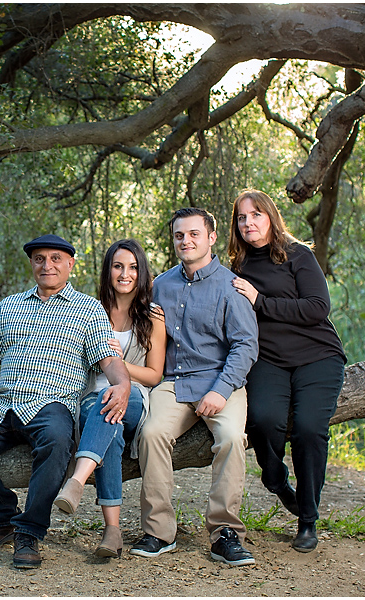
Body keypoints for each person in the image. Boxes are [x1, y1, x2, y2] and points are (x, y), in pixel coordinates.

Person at [0, 234, 131, 569]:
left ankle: (28, 532)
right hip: (4, 406)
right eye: (40, 259)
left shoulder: (88, 309)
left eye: (56, 258)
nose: (47, 265)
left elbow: (110, 360)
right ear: (32, 264)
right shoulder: (9, 305)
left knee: (58, 442)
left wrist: (123, 385)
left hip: (52, 405)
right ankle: (2, 517)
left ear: (70, 264)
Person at [131, 207, 259, 567]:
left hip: (222, 382)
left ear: (211, 238)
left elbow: (245, 345)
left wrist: (220, 391)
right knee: (152, 433)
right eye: (178, 236)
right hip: (173, 382)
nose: (185, 241)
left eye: (193, 234)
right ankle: (159, 531)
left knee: (232, 438)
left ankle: (225, 533)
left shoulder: (230, 286)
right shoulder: (161, 286)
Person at [228, 189, 347, 553]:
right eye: (242, 218)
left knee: (310, 428)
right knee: (263, 419)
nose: (249, 223)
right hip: (270, 359)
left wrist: (260, 301)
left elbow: (317, 307)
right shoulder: (238, 267)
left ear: (271, 217)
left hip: (317, 355)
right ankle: (277, 480)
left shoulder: (297, 254)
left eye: (256, 215)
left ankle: (307, 520)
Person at [52, 239, 166, 558]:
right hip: (92, 397)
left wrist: (117, 364)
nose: (125, 274)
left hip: (134, 396)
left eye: (132, 267)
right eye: (118, 266)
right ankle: (112, 532)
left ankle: (76, 480)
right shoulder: (90, 310)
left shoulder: (153, 316)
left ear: (141, 273)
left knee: (113, 403)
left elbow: (155, 374)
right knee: (109, 430)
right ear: (108, 271)